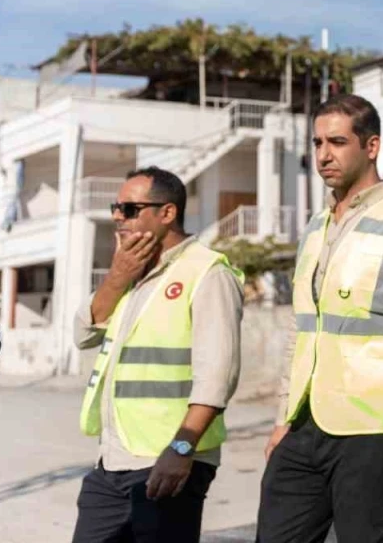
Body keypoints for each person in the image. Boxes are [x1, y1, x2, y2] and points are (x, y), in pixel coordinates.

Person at [258, 94, 383, 543]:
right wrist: (284, 417)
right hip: (305, 425)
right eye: (318, 142)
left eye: (338, 142)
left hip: (374, 430)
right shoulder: (315, 226)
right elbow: (303, 328)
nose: (324, 154)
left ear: (371, 146)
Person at [72, 168, 245, 543]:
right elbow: (83, 333)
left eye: (131, 209)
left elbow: (217, 376)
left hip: (168, 459)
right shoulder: (132, 273)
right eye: (116, 207)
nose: (119, 216)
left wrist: (181, 448)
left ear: (167, 214)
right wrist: (117, 276)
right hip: (113, 460)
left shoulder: (207, 272)